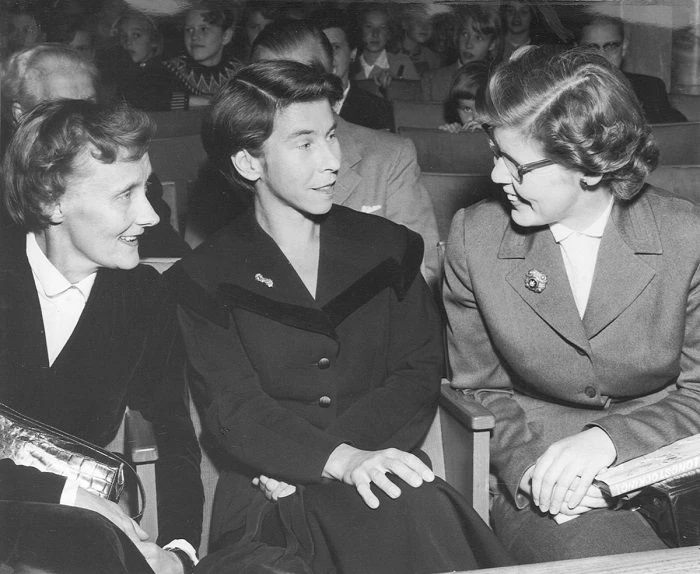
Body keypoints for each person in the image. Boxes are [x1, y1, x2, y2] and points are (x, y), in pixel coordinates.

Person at [170, 58, 512, 574]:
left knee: (409, 520)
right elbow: (232, 407)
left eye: (331, 136)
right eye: (305, 143)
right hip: (266, 494)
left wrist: (342, 460)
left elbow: (416, 374)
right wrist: (327, 461)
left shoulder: (389, 248)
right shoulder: (204, 276)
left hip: (381, 470)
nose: (332, 160)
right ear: (248, 163)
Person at [443, 45, 700, 564]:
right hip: (545, 471)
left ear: (590, 166)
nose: (497, 177)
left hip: (673, 454)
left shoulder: (685, 236)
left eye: (517, 165)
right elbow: (479, 391)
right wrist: (535, 470)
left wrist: (608, 440)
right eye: (495, 154)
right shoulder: (475, 237)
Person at [0, 99, 203, 573]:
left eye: (146, 188)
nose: (151, 215)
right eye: (124, 195)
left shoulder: (143, 296)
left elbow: (173, 431)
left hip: (67, 538)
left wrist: (179, 552)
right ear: (51, 201)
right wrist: (71, 495)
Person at [188, 18, 441, 289]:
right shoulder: (229, 166)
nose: (282, 94)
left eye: (298, 78)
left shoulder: (389, 158)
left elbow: (421, 276)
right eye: (266, 81)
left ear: (329, 75)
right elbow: (204, 274)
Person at [0, 43, 189, 258]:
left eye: (89, 105)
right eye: (63, 108)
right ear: (21, 115)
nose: (82, 119)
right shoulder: (9, 187)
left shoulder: (125, 170)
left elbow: (169, 251)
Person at [577, 14, 686, 123]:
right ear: (578, 51)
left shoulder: (650, 88)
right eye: (591, 47)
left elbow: (679, 128)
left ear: (624, 47)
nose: (602, 55)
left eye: (611, 46)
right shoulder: (571, 92)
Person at [315, 7, 394, 131]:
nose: (328, 56)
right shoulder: (299, 104)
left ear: (352, 53)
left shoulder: (378, 109)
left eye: (335, 47)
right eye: (322, 49)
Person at [162, 0, 242, 109]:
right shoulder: (166, 70)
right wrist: (191, 101)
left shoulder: (241, 74)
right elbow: (145, 98)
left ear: (226, 36)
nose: (194, 36)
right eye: (189, 29)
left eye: (204, 29)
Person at [421, 5, 501, 103]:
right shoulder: (432, 80)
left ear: (492, 44)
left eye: (478, 38)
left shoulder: (498, 84)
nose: (468, 44)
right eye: (465, 34)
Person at [112, 11, 174, 111]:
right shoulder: (123, 72)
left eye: (136, 35)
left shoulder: (167, 72)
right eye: (123, 36)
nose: (128, 42)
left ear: (154, 39)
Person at [354, 3, 420, 89]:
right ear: (360, 31)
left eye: (382, 27)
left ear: (389, 33)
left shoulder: (402, 63)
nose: (375, 34)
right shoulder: (350, 64)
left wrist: (396, 84)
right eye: (369, 26)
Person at [438, 60, 489, 133]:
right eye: (467, 109)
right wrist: (453, 136)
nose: (475, 118)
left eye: (482, 108)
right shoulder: (460, 129)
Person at [398, 4, 443, 75]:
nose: (425, 27)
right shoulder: (389, 54)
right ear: (405, 24)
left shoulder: (433, 58)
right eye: (419, 21)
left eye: (429, 23)